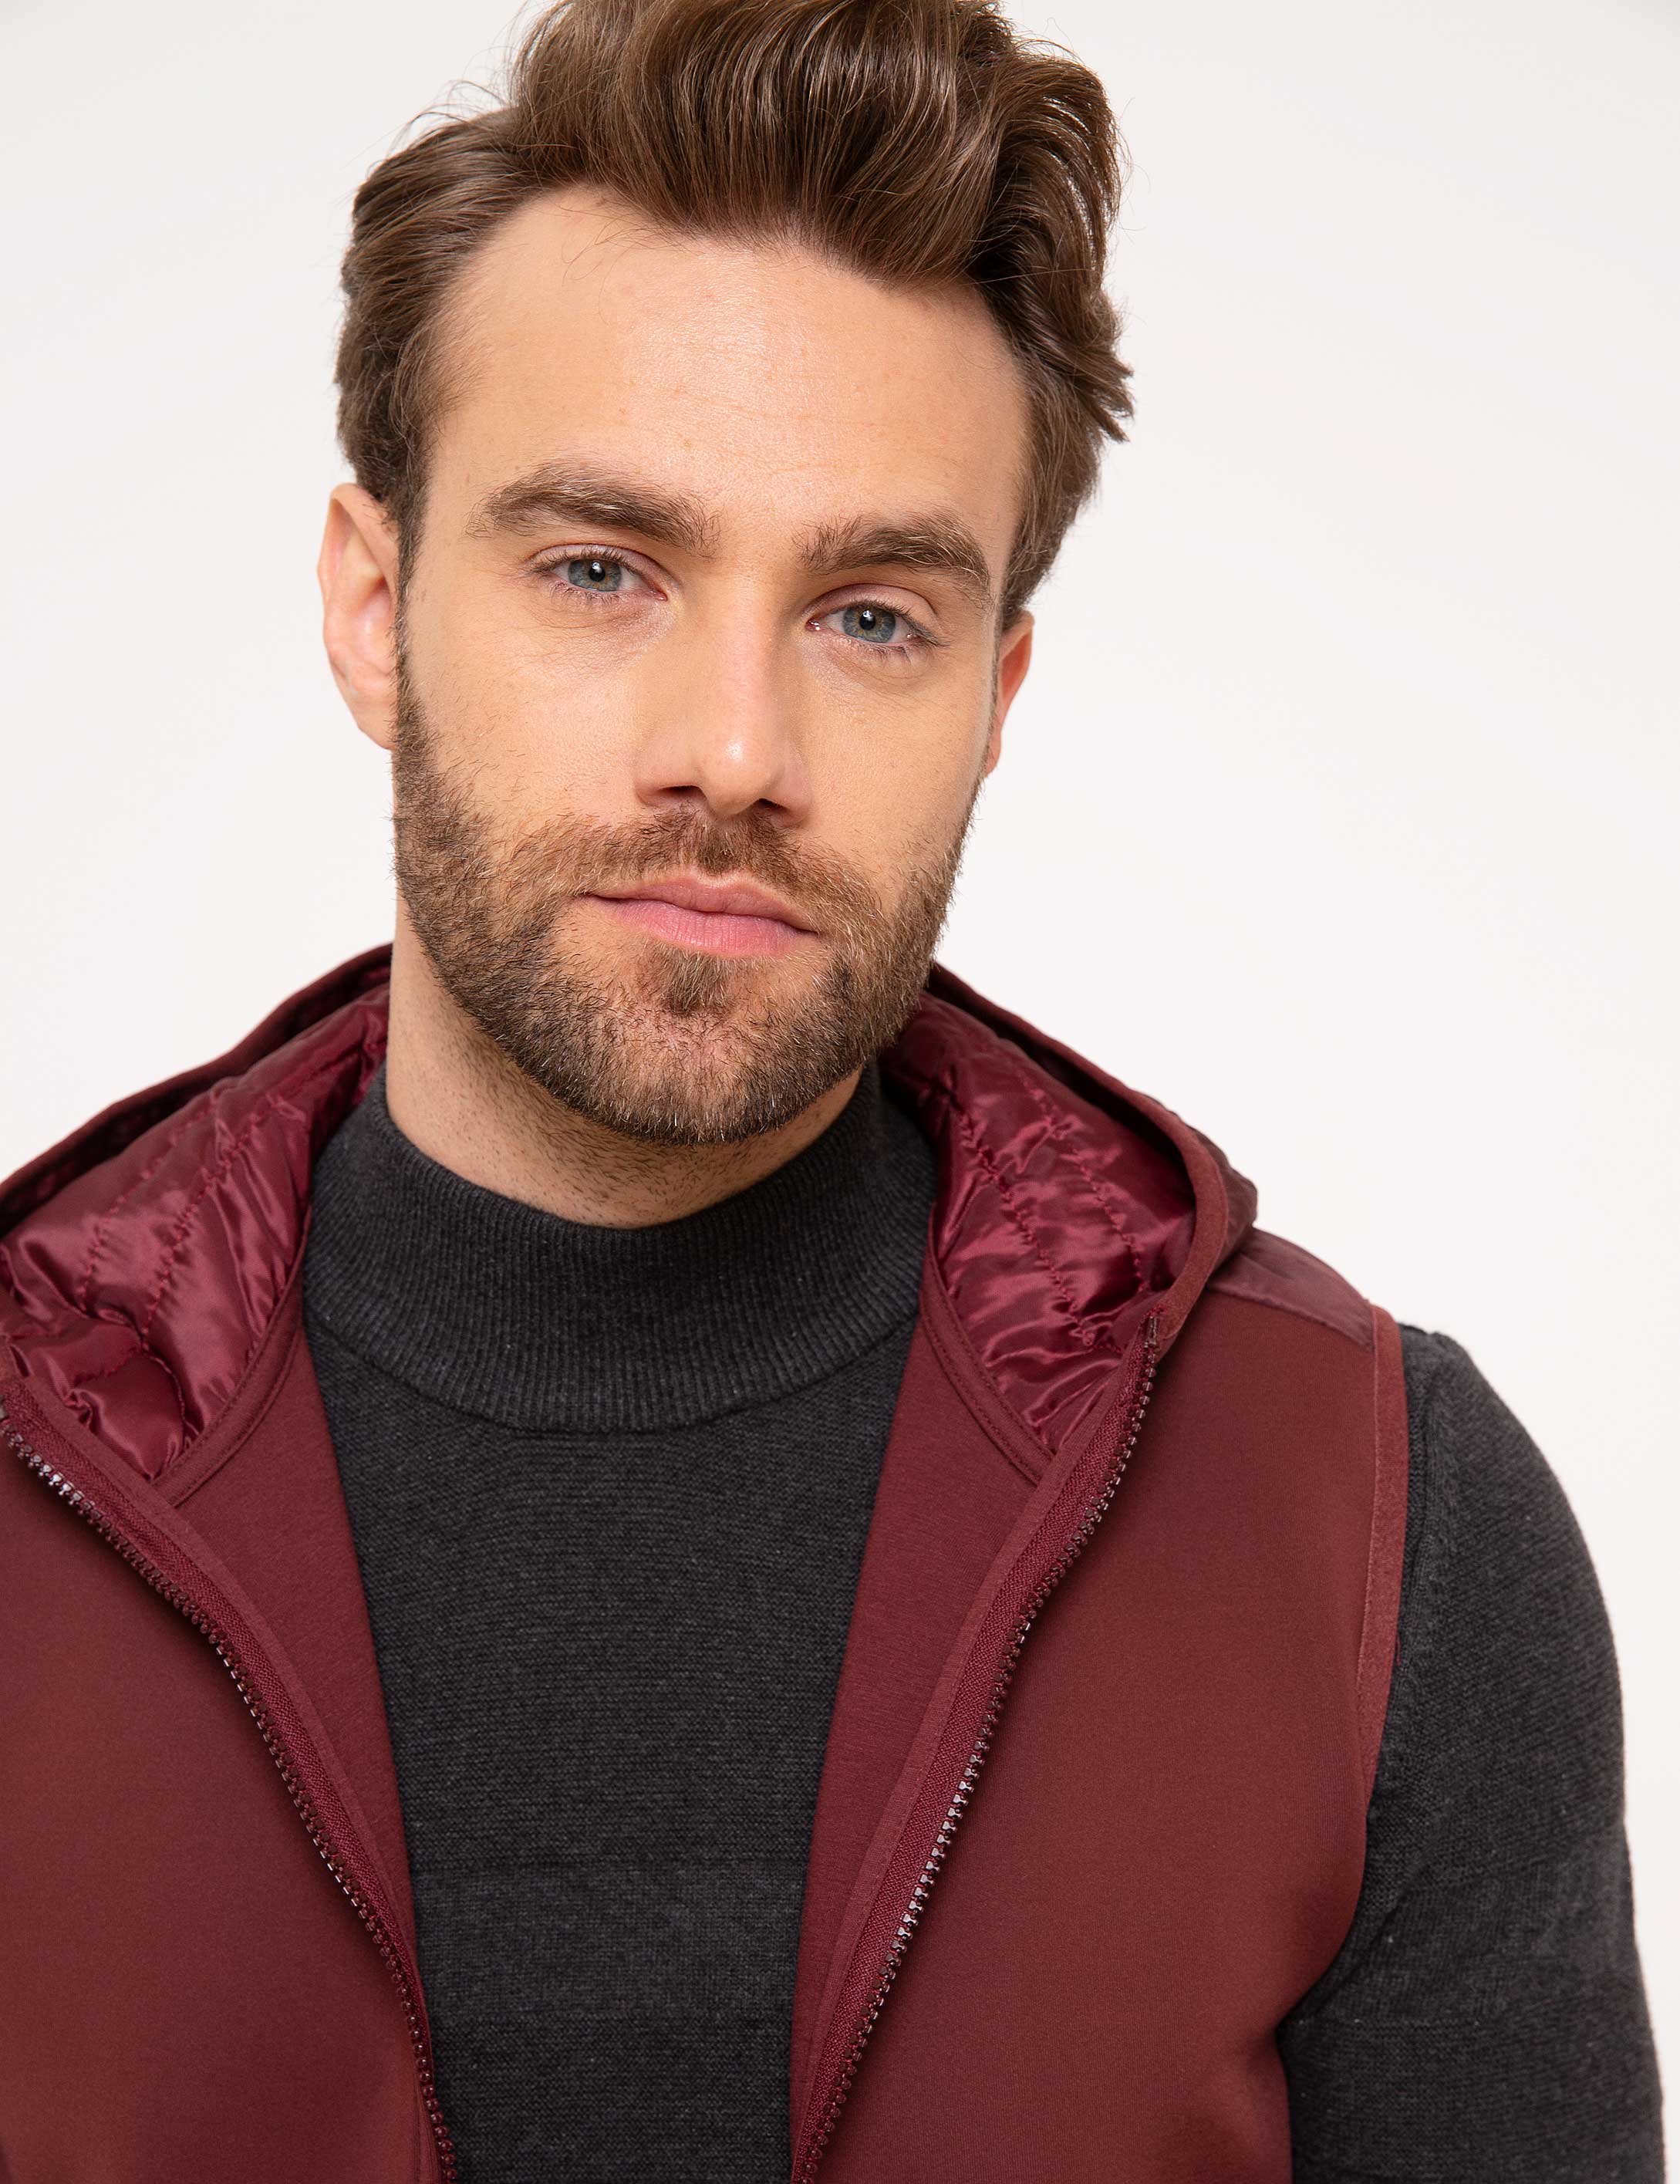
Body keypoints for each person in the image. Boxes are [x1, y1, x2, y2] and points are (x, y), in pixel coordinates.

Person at [0, 0, 1662, 2177]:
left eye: (872, 614)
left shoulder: (1365, 1516)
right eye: (600, 569)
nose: (734, 751)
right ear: (375, 611)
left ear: (997, 693)